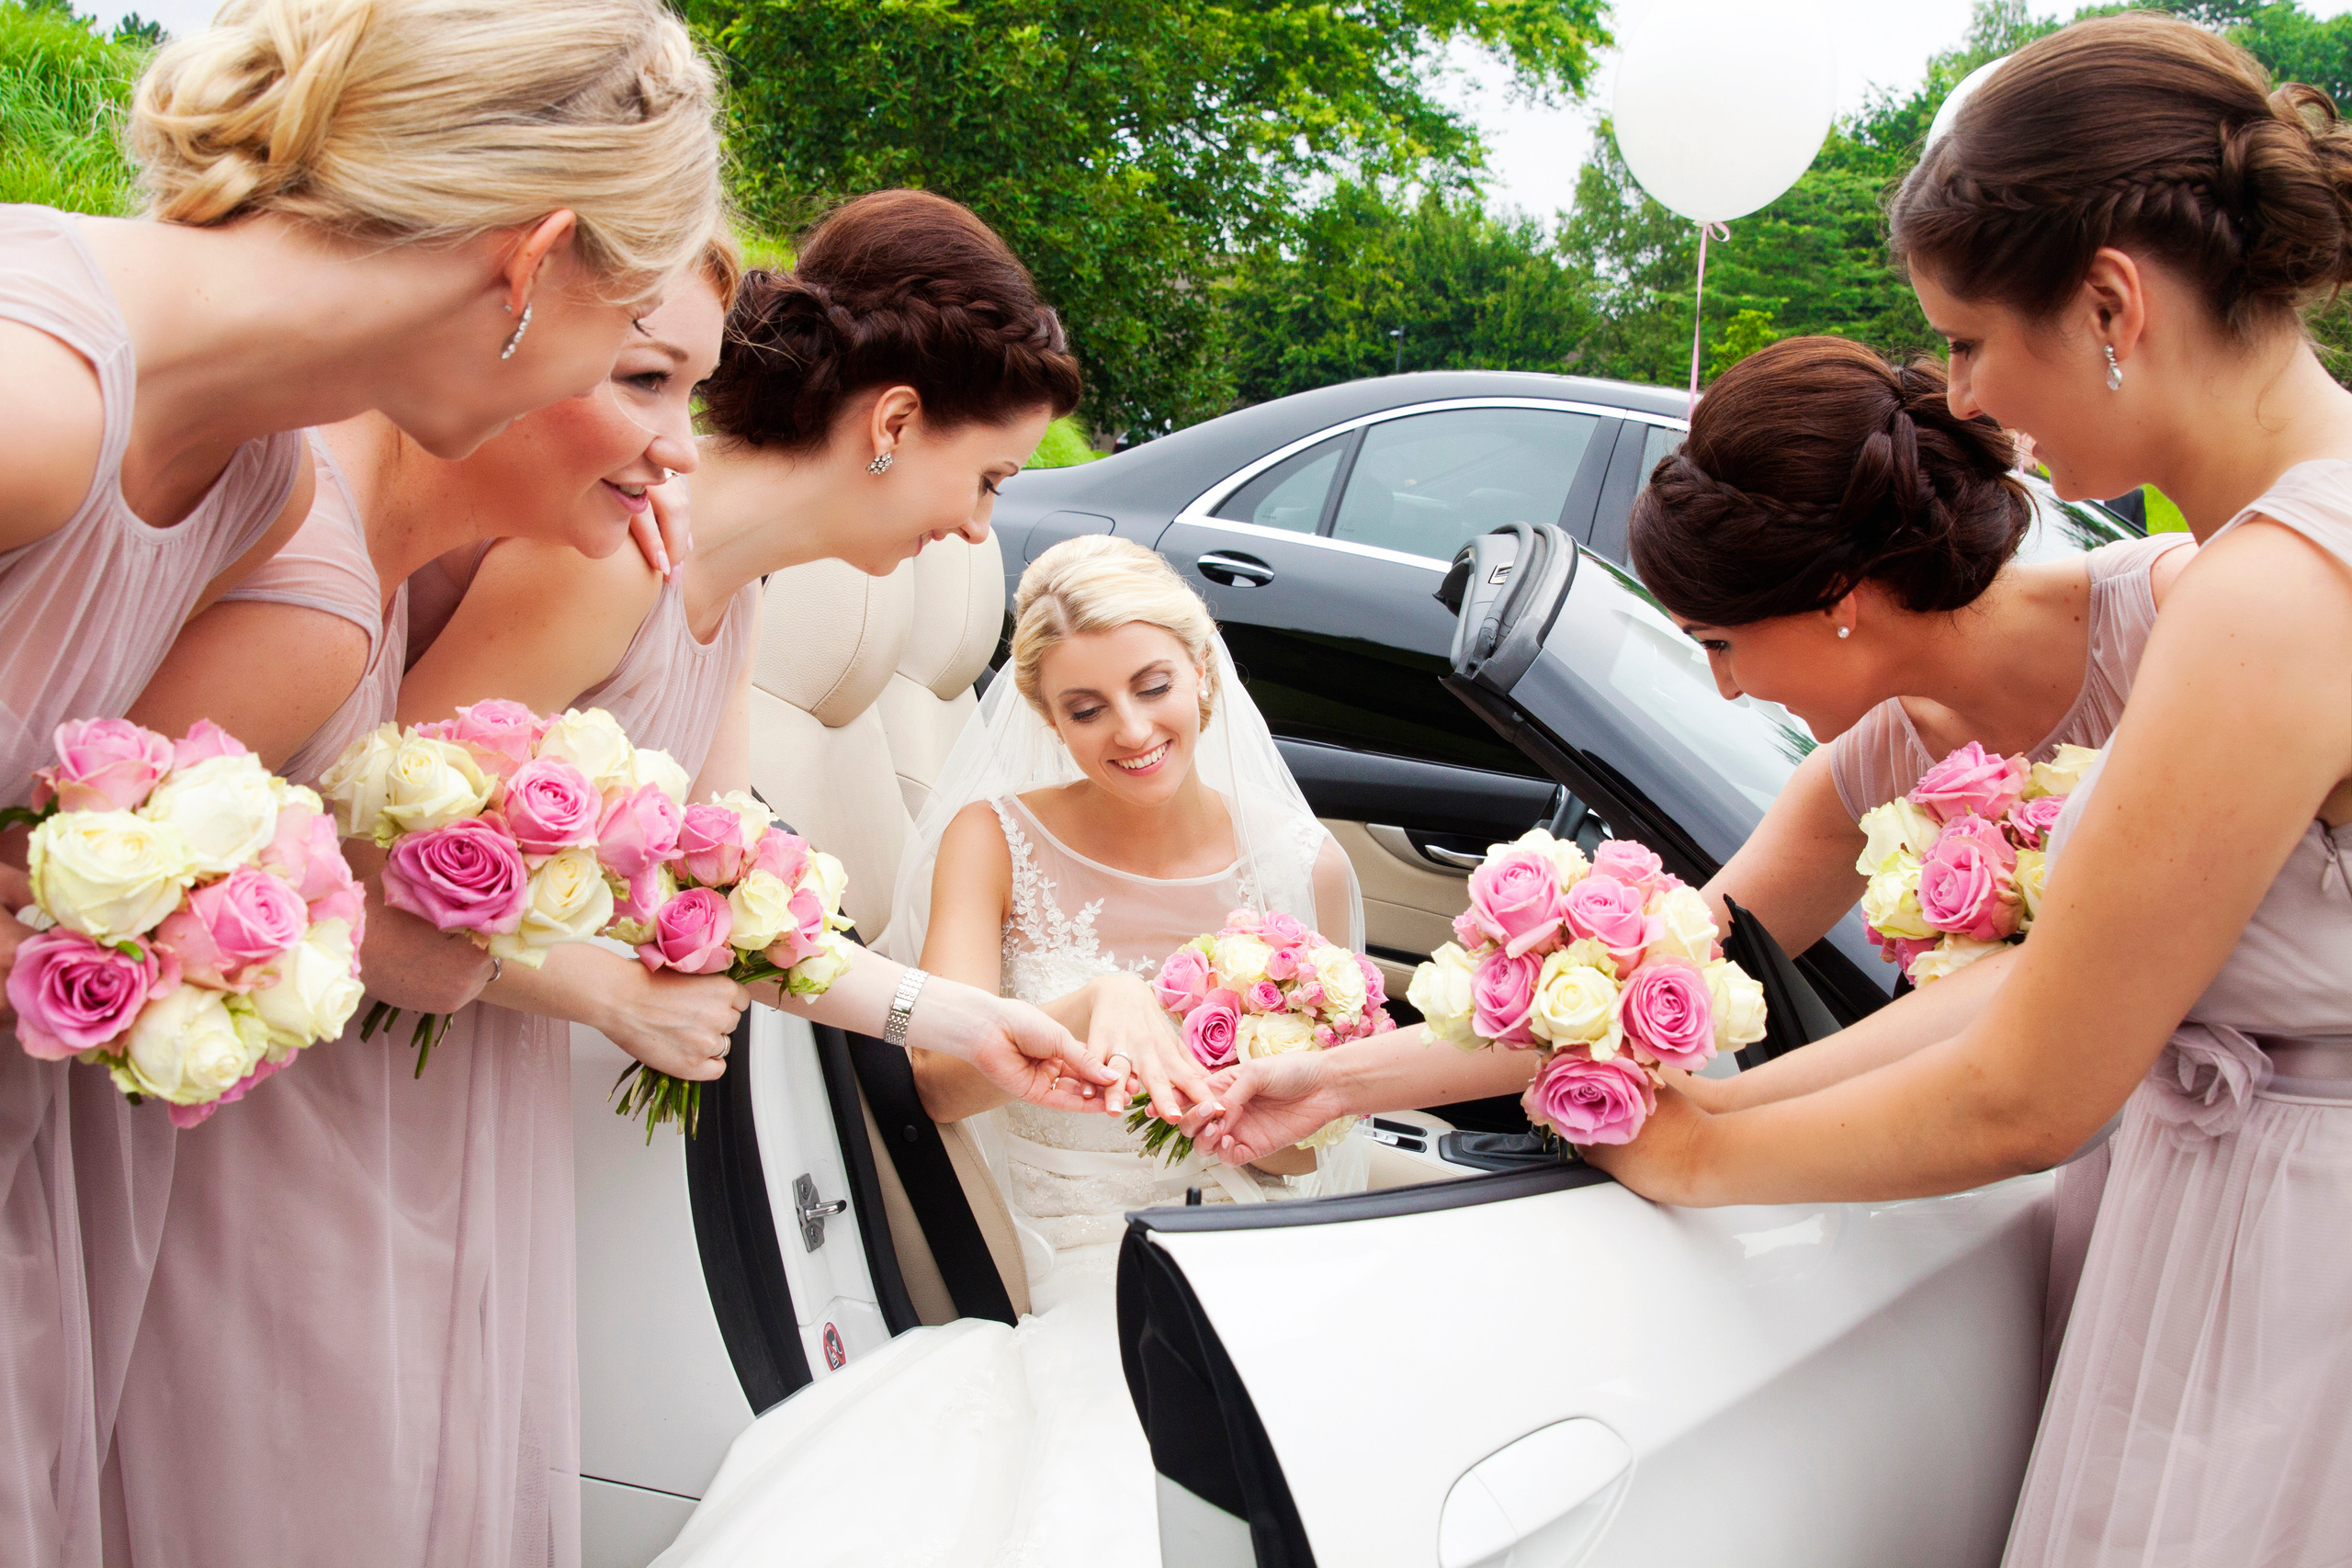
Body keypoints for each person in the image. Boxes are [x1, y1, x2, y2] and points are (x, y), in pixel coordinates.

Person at [1221, 14, 2352, 1562]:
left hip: (2294, 1268)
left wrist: (1700, 1149)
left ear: (2111, 303)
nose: (1966, 401)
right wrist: (1351, 1074)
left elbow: (2035, 1080)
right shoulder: (2270, 565)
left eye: (1968, 339)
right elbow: (1696, 952)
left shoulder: (2266, 593)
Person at [0, 1, 721, 1560]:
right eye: (635, 347)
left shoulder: (260, 496)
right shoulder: (36, 396)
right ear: (534, 263)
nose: (678, 445)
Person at [649, 535, 1367, 1568]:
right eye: (1086, 708)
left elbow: (1307, 1150)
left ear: (1202, 671)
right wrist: (1094, 1002)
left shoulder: (1306, 864)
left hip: (1257, 1241)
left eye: (1152, 686)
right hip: (1083, 1248)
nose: (1131, 730)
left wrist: (1235, 1111)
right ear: (1043, 715)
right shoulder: (995, 839)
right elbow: (937, 1085)